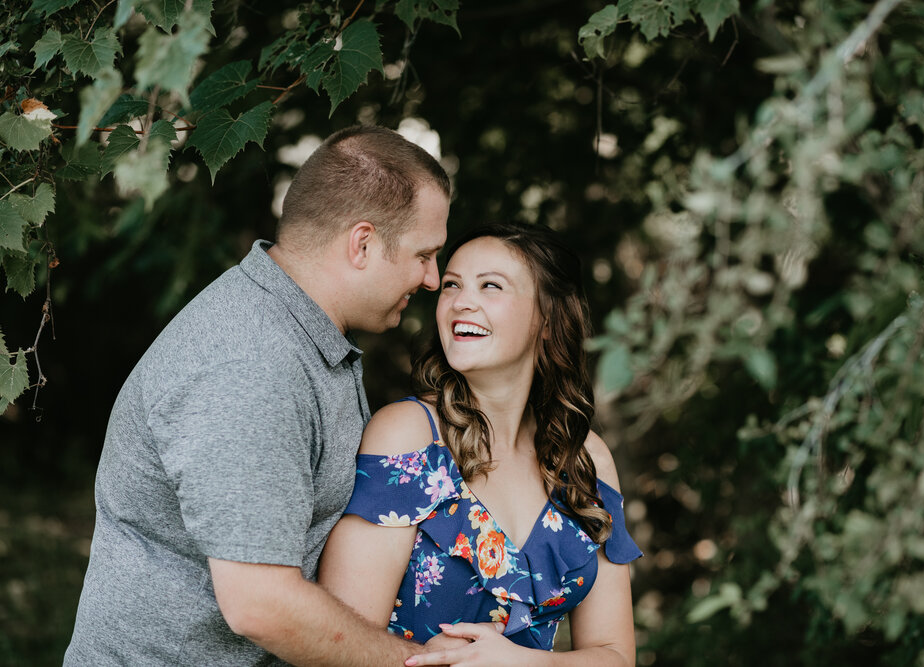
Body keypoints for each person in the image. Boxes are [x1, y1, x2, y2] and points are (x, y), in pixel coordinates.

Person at [64, 125, 453, 666]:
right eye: (424, 254)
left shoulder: (300, 334)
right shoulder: (250, 364)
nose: (433, 279)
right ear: (362, 243)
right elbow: (260, 604)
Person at [318, 222, 642, 666]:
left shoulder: (585, 460)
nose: (460, 302)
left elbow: (616, 657)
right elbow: (337, 645)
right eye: (451, 285)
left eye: (491, 286)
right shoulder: (409, 437)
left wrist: (527, 663)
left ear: (547, 321)